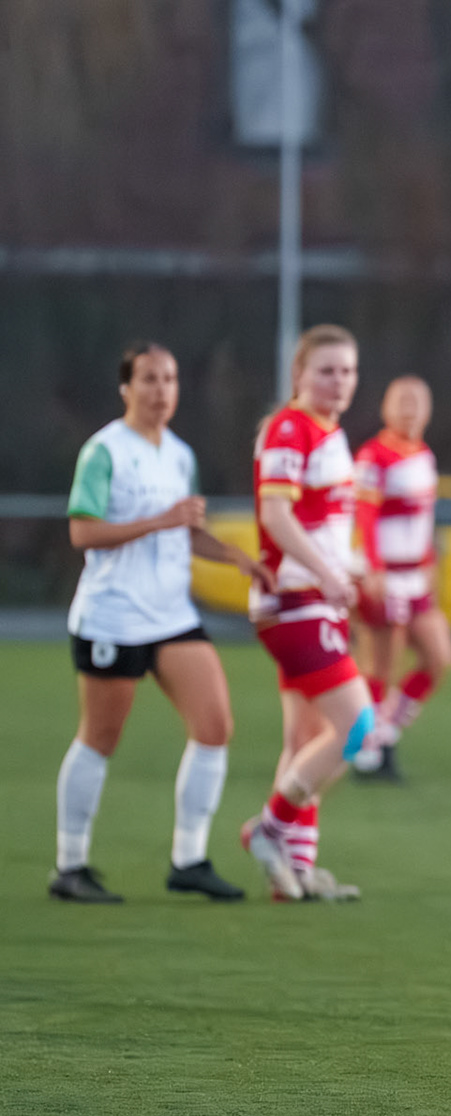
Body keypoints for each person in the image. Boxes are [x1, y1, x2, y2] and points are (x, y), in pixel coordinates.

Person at [52, 342, 272, 903]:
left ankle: (188, 859)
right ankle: (70, 866)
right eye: (149, 379)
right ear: (126, 387)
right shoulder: (104, 451)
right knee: (101, 738)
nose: (161, 390)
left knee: (215, 725)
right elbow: (83, 532)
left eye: (170, 379)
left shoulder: (178, 454)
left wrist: (233, 556)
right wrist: (160, 521)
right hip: (114, 615)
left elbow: (184, 529)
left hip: (171, 614)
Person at [239, 324, 373, 902]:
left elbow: (326, 523)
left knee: (306, 737)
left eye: (347, 371)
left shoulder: (330, 432)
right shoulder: (290, 429)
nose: (339, 381)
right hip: (293, 602)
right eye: (326, 370)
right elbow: (275, 516)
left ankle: (295, 868)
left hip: (316, 599)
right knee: (357, 728)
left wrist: (349, 566)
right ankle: (267, 828)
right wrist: (325, 572)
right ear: (299, 375)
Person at [349, 375, 451, 781]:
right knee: (380, 667)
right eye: (401, 401)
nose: (409, 409)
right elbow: (366, 515)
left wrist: (428, 564)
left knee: (438, 658)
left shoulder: (424, 454)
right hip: (385, 575)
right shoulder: (374, 456)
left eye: (417, 402)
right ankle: (365, 751)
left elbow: (423, 520)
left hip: (416, 575)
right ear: (386, 408)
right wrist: (374, 567)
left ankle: (385, 730)